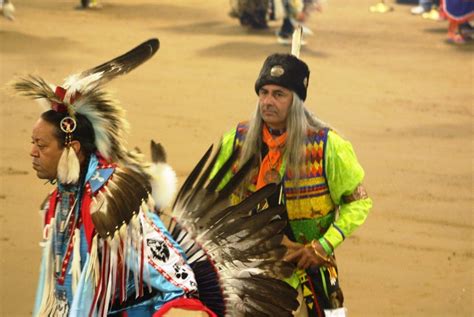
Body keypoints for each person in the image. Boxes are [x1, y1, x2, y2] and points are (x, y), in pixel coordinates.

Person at [14, 38, 300, 317]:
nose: (32, 152)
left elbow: (178, 283)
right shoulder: (59, 203)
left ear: (72, 148)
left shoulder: (111, 203)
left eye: (41, 145)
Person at [210, 43, 373, 316]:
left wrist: (323, 245)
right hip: (248, 269)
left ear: (295, 100)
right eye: (263, 93)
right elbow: (213, 199)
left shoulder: (328, 147)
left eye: (278, 94)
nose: (268, 101)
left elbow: (358, 203)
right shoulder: (236, 141)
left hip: (309, 268)